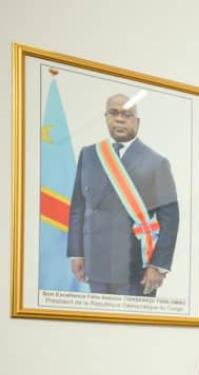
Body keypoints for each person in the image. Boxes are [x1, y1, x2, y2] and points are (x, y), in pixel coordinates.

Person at [67, 93, 179, 296]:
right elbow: (78, 206)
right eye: (113, 113)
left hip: (136, 268)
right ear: (106, 117)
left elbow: (170, 221)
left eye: (127, 114)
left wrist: (158, 265)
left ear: (137, 121)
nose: (119, 119)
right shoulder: (89, 154)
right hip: (96, 263)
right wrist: (76, 253)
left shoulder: (156, 162)